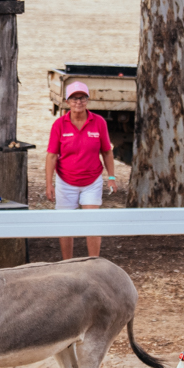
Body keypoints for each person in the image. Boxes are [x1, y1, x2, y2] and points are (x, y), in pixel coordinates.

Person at [44, 81, 117, 259]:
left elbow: (107, 151)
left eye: (82, 98)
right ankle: (67, 263)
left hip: (92, 180)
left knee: (91, 222)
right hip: (65, 181)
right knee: (66, 224)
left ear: (87, 100)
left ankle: (93, 263)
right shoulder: (59, 125)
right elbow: (51, 156)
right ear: (67, 102)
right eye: (74, 98)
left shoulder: (98, 122)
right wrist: (49, 184)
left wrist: (112, 177)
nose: (79, 102)